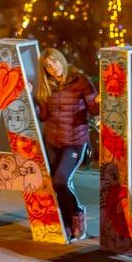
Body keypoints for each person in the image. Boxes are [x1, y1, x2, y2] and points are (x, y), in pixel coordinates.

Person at [35, 48, 99, 241]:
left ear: (61, 60)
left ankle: (78, 214)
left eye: (54, 62)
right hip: (53, 141)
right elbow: (43, 115)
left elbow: (94, 108)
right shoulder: (47, 86)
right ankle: (67, 224)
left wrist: (99, 102)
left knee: (61, 180)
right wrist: (31, 97)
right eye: (47, 66)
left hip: (75, 142)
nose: (53, 67)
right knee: (56, 185)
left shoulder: (80, 80)